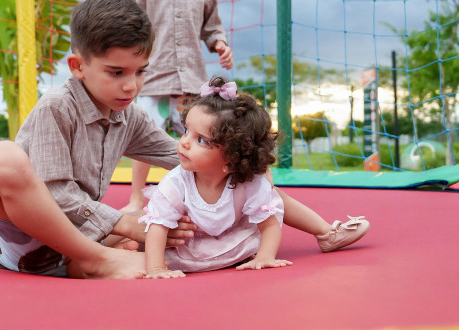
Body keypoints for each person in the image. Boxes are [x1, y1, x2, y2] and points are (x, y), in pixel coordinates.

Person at [0, 0, 193, 279]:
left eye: (140, 72)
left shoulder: (130, 116)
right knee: (3, 158)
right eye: (116, 73)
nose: (131, 86)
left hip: (79, 238)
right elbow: (56, 193)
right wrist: (125, 224)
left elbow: (181, 156)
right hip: (27, 245)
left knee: (165, 216)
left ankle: (87, 259)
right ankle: (98, 259)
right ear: (78, 66)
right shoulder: (57, 106)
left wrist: (231, 156)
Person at [139, 76, 370, 278]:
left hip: (234, 238)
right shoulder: (176, 183)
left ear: (230, 158)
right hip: (190, 245)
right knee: (148, 231)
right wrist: (156, 268)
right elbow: (158, 226)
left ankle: (326, 233)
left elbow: (270, 226)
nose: (183, 142)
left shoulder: (247, 183)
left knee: (271, 195)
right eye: (186, 131)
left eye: (200, 140)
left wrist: (265, 256)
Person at [123, 0, 233, 213]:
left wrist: (220, 44)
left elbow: (212, 27)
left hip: (191, 82)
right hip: (153, 78)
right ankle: (136, 198)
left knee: (199, 139)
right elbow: (126, 22)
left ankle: (199, 197)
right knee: (144, 138)